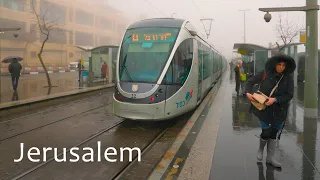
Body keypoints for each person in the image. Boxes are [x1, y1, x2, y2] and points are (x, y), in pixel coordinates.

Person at [245, 54, 295, 168]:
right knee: (266, 131)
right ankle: (260, 150)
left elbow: (289, 95)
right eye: (279, 64)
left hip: (280, 110)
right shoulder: (265, 73)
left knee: (273, 133)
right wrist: (247, 92)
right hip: (264, 109)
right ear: (274, 64)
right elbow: (250, 82)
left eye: (283, 65)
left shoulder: (288, 78)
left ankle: (270, 158)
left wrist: (275, 99)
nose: (281, 67)